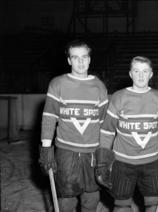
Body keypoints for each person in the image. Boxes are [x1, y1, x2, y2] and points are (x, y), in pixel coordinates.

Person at [39, 40, 108, 212]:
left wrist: (105, 151)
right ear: (69, 61)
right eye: (75, 57)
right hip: (66, 151)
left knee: (91, 199)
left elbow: (103, 123)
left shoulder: (99, 86)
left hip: (92, 152)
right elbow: (49, 116)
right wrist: (46, 148)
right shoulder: (58, 83)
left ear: (90, 59)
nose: (80, 62)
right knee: (66, 200)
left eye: (84, 57)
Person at [95, 56, 158, 212]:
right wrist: (102, 161)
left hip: (152, 163)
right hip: (123, 163)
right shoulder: (119, 97)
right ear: (130, 74)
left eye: (145, 71)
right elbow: (107, 130)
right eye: (136, 71)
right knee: (121, 206)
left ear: (151, 74)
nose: (141, 75)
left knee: (155, 206)